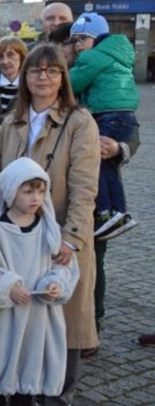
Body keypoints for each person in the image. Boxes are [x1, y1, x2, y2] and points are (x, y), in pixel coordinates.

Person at [0, 45, 100, 406]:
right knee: (25, 312)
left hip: (60, 232)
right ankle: (22, 388)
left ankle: (58, 393)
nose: (43, 77)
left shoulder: (79, 121)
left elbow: (85, 185)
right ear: (25, 77)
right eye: (36, 70)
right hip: (17, 233)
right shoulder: (12, 120)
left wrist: (72, 237)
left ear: (63, 77)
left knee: (63, 313)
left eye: (52, 71)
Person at [0, 157, 79, 406]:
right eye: (28, 191)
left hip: (37, 312)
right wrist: (7, 285)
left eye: (40, 191)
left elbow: (64, 266)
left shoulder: (49, 230)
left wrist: (55, 283)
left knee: (30, 357)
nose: (35, 198)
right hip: (3, 312)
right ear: (10, 191)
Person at [68, 12, 140, 240]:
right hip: (122, 115)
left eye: (82, 39)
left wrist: (61, 75)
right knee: (105, 165)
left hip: (108, 115)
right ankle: (118, 213)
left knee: (96, 161)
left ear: (98, 38)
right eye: (75, 40)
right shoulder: (116, 54)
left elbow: (72, 83)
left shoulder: (93, 57)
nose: (78, 45)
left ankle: (107, 212)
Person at [0, 37, 28, 114]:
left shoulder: (30, 83)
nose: (5, 61)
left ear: (22, 57)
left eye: (10, 55)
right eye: (0, 56)